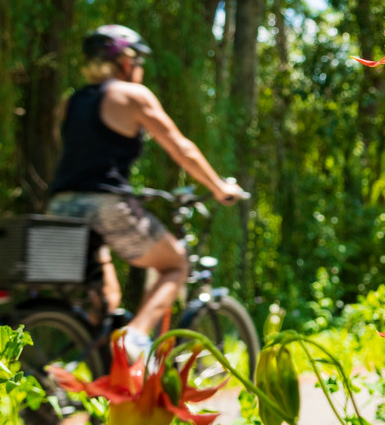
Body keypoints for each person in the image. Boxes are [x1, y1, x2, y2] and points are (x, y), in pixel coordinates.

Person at [48, 24, 245, 361]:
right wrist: (218, 187)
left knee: (107, 299)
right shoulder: (131, 95)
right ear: (124, 61)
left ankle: (103, 379)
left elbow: (66, 147)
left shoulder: (71, 102)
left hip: (60, 206)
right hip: (106, 205)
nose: (139, 69)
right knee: (176, 264)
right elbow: (182, 148)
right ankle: (136, 339)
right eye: (137, 61)